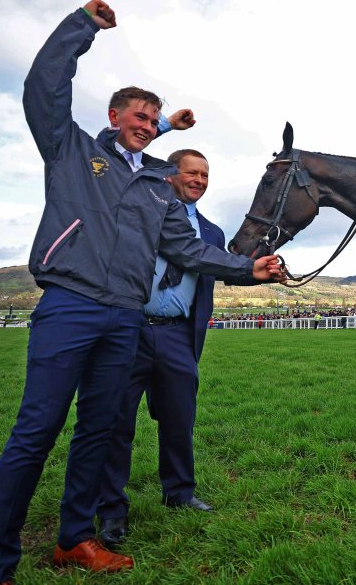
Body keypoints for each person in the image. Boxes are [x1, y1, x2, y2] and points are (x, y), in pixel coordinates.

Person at [0, 0, 284, 585]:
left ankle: (75, 540)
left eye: (153, 120)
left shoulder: (155, 187)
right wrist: (82, 26)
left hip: (123, 319)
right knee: (35, 433)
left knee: (99, 431)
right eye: (137, 116)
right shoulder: (72, 151)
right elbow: (43, 83)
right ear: (115, 115)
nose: (144, 125)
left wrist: (251, 269)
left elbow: (190, 251)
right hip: (69, 306)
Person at [95, 149, 248, 546]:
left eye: (205, 175)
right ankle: (111, 509)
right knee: (117, 422)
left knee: (180, 418)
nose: (199, 180)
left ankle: (179, 493)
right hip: (128, 328)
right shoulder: (138, 212)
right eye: (191, 172)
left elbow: (225, 272)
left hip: (178, 334)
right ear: (169, 174)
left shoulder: (212, 233)